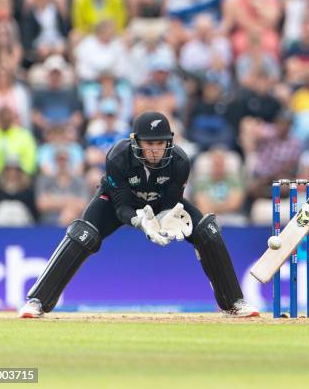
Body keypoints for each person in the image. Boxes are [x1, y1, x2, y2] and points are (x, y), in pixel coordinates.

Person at [19, 111, 259, 318]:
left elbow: (171, 202)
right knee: (84, 234)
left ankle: (233, 302)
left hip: (161, 204)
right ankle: (38, 301)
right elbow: (121, 205)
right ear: (136, 142)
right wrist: (141, 222)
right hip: (116, 202)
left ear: (169, 142)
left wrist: (164, 219)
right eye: (149, 143)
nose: (155, 150)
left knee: (207, 230)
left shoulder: (180, 161)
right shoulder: (118, 157)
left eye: (160, 143)